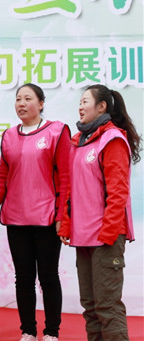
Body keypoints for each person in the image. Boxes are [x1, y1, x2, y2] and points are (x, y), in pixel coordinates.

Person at [0, 83, 71, 341]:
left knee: (48, 277)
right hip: (16, 220)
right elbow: (2, 180)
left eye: (28, 98)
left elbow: (66, 178)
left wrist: (62, 217)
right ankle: (28, 330)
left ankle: (51, 332)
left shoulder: (57, 131)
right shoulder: (9, 136)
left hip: (47, 219)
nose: (21, 103)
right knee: (23, 278)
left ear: (41, 103)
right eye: (18, 99)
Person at [58, 84, 140, 340]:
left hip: (106, 237)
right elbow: (70, 190)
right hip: (83, 237)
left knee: (107, 306)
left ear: (102, 106)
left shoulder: (112, 139)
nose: (80, 107)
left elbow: (118, 193)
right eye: (79, 102)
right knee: (91, 306)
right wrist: (67, 224)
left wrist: (108, 233)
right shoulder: (79, 141)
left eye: (85, 101)